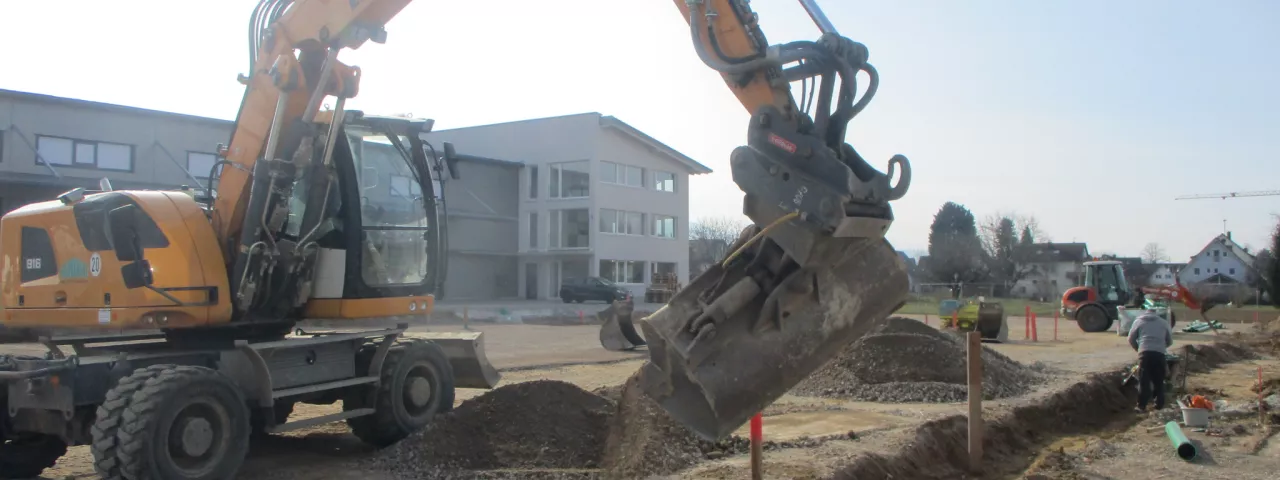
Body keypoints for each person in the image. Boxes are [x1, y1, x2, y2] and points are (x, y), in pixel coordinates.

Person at [1127, 309, 1174, 413]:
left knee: (1144, 381)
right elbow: (1170, 341)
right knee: (1159, 380)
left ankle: (1141, 406)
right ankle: (1159, 405)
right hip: (1159, 354)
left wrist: (1139, 349)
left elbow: (1130, 338)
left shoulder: (1139, 321)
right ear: (1156, 314)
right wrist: (1160, 347)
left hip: (1144, 354)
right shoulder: (1163, 322)